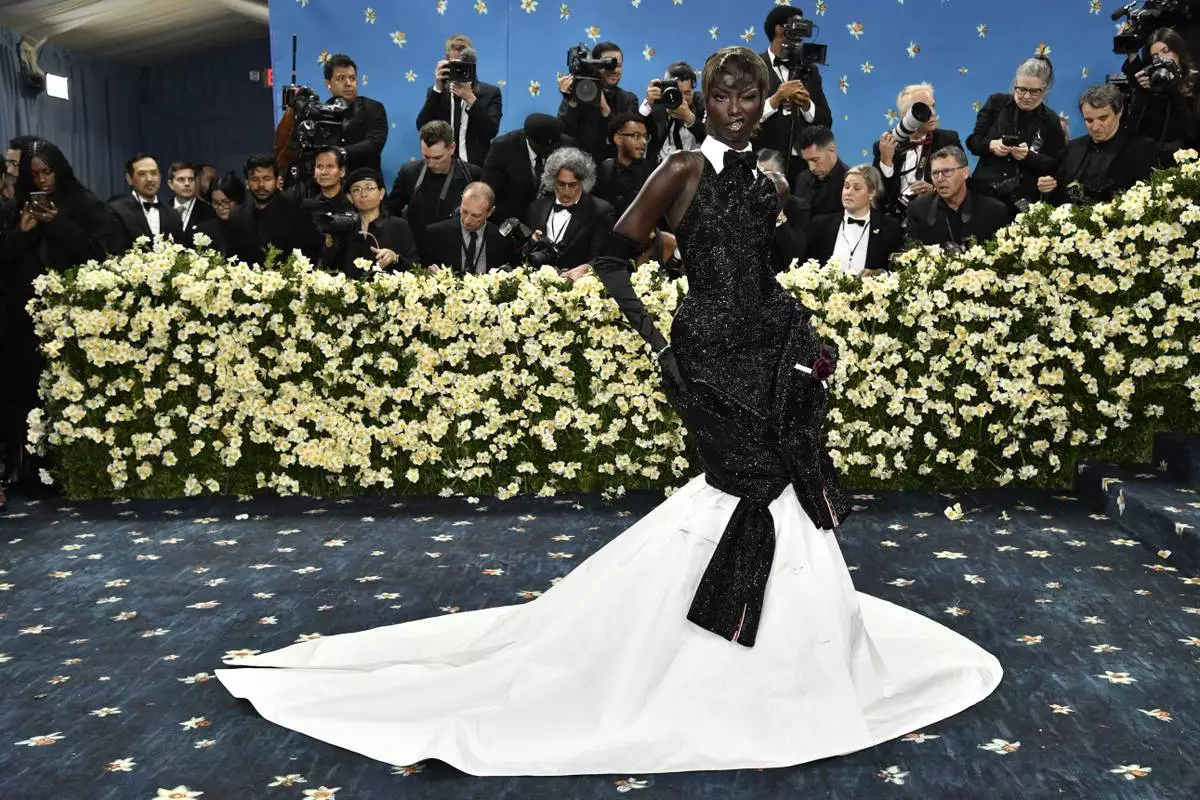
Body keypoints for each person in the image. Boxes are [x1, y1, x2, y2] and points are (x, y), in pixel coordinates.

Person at [217, 45, 1002, 777]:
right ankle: (720, 662)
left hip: (771, 349)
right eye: (722, 94)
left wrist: (801, 329)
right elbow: (611, 256)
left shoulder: (765, 180)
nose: (735, 106)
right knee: (749, 483)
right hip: (707, 359)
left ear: (761, 102)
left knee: (784, 483)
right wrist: (660, 347)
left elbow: (765, 265)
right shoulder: (682, 168)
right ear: (703, 102)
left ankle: (790, 664)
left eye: (748, 95)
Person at [0, 140, 122, 487]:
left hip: (73, 318)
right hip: (24, 320)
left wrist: (57, 223)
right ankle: (27, 468)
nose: (42, 180)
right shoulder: (15, 207)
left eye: (48, 172)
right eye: (35, 174)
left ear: (60, 170)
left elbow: (101, 255)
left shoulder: (86, 204)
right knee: (25, 392)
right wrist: (22, 233)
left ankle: (74, 470)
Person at [966, 57, 1066, 217]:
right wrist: (991, 145)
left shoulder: (1050, 120)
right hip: (984, 193)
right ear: (1014, 85)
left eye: (1034, 91)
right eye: (1021, 89)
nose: (1026, 96)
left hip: (1023, 202)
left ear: (1045, 89)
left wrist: (1029, 156)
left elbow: (1056, 164)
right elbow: (973, 142)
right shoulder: (996, 103)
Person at [1036, 84, 1158, 205]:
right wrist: (1048, 187)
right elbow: (1058, 194)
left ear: (1119, 113)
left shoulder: (1141, 149)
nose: (1095, 127)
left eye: (1103, 119)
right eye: (1089, 120)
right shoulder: (1072, 149)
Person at [754, 5, 834, 185]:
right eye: (798, 26)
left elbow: (826, 121)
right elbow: (743, 117)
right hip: (763, 164)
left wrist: (807, 106)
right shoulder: (754, 67)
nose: (802, 33)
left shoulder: (810, 71)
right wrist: (775, 100)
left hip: (802, 171)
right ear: (779, 29)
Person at [387, 121, 482, 256]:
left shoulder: (472, 175)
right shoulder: (409, 172)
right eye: (426, 157)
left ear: (452, 148)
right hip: (415, 253)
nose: (431, 164)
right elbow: (391, 211)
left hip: (456, 254)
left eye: (437, 158)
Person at [874, 83, 964, 219]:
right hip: (895, 221)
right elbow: (878, 199)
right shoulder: (887, 143)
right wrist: (886, 162)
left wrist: (935, 190)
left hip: (937, 217)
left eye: (933, 106)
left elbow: (964, 184)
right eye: (924, 109)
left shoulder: (948, 140)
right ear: (906, 115)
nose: (933, 113)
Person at [527, 147, 616, 279]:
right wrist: (531, 243)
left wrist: (587, 268)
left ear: (583, 182)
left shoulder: (600, 211)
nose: (566, 191)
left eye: (573, 185)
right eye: (561, 184)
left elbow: (604, 258)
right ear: (552, 181)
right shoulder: (537, 208)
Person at [416, 34, 503, 167]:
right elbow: (422, 126)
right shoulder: (437, 93)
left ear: (472, 65)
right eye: (454, 64)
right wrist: (437, 89)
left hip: (476, 167)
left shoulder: (490, 93)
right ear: (447, 63)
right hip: (443, 167)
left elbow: (490, 132)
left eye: (462, 65)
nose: (458, 69)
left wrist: (470, 98)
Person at [226, 155, 322, 266]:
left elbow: (307, 260)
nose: (261, 185)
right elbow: (231, 260)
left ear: (277, 181)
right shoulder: (237, 216)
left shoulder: (297, 215)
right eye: (255, 179)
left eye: (267, 179)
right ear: (247, 182)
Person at [905, 146, 1009, 249]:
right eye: (935, 173)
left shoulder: (994, 210)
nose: (940, 179)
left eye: (947, 171)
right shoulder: (918, 210)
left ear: (965, 173)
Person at [483, 113, 577, 226]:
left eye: (553, 145)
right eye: (544, 147)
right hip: (511, 219)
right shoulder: (503, 148)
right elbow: (489, 190)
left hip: (550, 220)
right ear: (529, 139)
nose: (550, 150)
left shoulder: (566, 146)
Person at [808, 164, 903, 276]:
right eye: (846, 186)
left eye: (857, 188)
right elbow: (807, 265)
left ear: (871, 193)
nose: (849, 192)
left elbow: (897, 271)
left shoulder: (890, 227)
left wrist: (878, 274)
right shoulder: (820, 225)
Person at [1124, 27, 1200, 167]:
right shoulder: (1153, 81)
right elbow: (1134, 127)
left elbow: (1192, 131)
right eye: (1155, 56)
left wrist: (1175, 91)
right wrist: (1142, 91)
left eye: (1166, 51)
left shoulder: (1195, 82)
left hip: (1185, 158)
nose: (1162, 59)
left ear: (1178, 51)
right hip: (1151, 158)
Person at [556, 41, 640, 165]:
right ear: (595, 65)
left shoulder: (629, 100)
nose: (615, 70)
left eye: (618, 65)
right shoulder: (578, 95)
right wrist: (572, 102)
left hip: (615, 169)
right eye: (609, 65)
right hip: (580, 167)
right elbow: (563, 135)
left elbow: (630, 140)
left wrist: (606, 110)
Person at [326, 168, 419, 277]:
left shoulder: (398, 226)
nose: (363, 194)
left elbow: (416, 268)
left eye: (369, 188)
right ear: (350, 197)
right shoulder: (344, 226)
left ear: (381, 193)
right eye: (356, 190)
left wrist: (396, 258)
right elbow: (329, 268)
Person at [421, 182, 515, 274]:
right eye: (464, 211)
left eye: (475, 216)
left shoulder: (502, 238)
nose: (467, 220)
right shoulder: (436, 233)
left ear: (490, 212)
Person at [109, 153, 184, 250]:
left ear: (160, 177)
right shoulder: (116, 210)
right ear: (129, 179)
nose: (149, 179)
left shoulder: (173, 215)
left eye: (154, 173)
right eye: (142, 174)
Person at [638, 61, 707, 162]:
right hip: (661, 166)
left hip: (695, 166)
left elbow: (712, 139)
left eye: (687, 93)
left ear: (693, 90)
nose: (682, 99)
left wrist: (689, 118)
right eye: (677, 93)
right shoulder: (658, 103)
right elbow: (638, 131)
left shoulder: (703, 103)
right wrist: (647, 103)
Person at [593, 112, 655, 217]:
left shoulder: (653, 172)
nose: (644, 142)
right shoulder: (604, 170)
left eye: (645, 136)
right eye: (637, 136)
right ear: (618, 139)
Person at [793, 125, 848, 220]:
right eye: (807, 161)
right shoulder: (802, 177)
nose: (811, 168)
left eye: (815, 160)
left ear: (832, 150)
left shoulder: (850, 183)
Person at [193, 171, 245, 256]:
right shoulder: (203, 231)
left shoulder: (250, 228)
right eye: (216, 203)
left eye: (226, 202)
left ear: (238, 200)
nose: (220, 208)